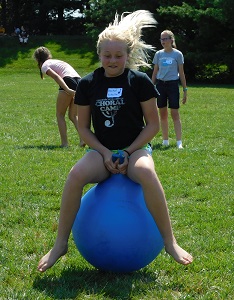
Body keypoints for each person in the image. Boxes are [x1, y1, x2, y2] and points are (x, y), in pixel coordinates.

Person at [37, 10, 193, 273]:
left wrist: (128, 152)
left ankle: (169, 241)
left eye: (118, 56)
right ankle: (60, 244)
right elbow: (84, 128)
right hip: (101, 152)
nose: (112, 60)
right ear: (99, 54)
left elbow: (153, 125)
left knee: (145, 171)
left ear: (127, 55)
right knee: (75, 175)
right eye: (107, 55)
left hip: (136, 149)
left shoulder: (139, 81)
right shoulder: (88, 84)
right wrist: (106, 153)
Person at [33, 47, 85, 147]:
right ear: (48, 55)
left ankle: (64, 143)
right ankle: (83, 140)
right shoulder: (57, 61)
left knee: (60, 114)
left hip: (68, 81)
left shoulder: (45, 65)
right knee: (73, 116)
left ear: (38, 59)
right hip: (79, 82)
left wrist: (67, 90)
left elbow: (57, 76)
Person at [151, 30, 188, 149]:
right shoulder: (158, 54)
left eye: (165, 38)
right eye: (161, 39)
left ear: (171, 40)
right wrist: (152, 86)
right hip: (161, 85)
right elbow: (155, 72)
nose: (163, 41)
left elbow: (181, 73)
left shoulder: (178, 54)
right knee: (163, 114)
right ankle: (165, 141)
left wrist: (185, 90)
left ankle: (179, 142)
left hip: (172, 85)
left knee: (175, 113)